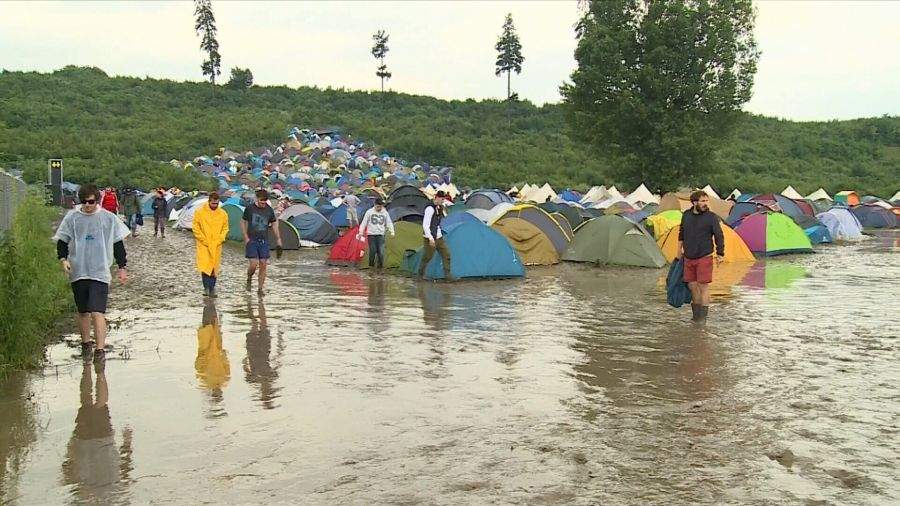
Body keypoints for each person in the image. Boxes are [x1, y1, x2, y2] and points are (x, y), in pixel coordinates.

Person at [54, 184, 130, 361]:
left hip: (100, 271)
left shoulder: (108, 219)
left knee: (97, 312)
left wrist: (122, 267)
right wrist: (63, 259)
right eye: (84, 202)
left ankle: (100, 350)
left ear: (97, 201)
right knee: (83, 311)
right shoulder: (72, 217)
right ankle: (86, 344)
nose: (87, 205)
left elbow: (118, 244)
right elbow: (62, 240)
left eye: (91, 202)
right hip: (78, 270)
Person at [677, 190, 725, 322]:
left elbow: (719, 235)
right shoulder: (686, 215)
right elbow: (681, 233)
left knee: (703, 286)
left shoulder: (711, 217)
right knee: (692, 286)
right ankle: (696, 316)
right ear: (694, 202)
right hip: (688, 257)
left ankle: (703, 319)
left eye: (706, 201)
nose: (705, 204)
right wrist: (678, 253)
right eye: (702, 201)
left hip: (705, 256)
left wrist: (720, 253)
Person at [241, 189, 282, 295]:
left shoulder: (269, 210)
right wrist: (245, 237)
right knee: (253, 265)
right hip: (252, 240)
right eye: (260, 201)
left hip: (264, 240)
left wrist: (278, 239)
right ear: (256, 199)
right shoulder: (250, 209)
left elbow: (274, 223)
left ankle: (260, 289)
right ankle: (249, 277)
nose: (262, 204)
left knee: (263, 264)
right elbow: (243, 222)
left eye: (264, 202)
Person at [192, 192, 229, 297]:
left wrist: (221, 238)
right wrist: (202, 239)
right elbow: (196, 227)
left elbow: (225, 228)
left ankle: (212, 288)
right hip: (204, 244)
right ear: (209, 201)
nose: (215, 206)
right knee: (205, 266)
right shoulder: (200, 212)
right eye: (213, 203)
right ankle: (206, 288)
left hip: (217, 244)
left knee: (214, 267)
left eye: (216, 204)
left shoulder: (223, 214)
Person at [418, 190, 454, 281]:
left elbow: (440, 220)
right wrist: (430, 238)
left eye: (444, 199)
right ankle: (420, 275)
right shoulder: (429, 209)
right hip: (430, 237)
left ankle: (447, 275)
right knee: (427, 257)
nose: (443, 201)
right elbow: (425, 225)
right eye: (442, 199)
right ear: (437, 197)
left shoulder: (439, 207)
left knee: (447, 255)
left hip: (439, 237)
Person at [358, 198, 395, 270]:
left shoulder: (385, 213)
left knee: (381, 252)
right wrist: (360, 232)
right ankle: (371, 266)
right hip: (371, 235)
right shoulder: (369, 212)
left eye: (380, 207)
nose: (379, 208)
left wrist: (392, 231)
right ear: (374, 205)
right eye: (378, 207)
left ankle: (380, 267)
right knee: (373, 251)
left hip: (381, 234)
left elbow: (389, 222)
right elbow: (364, 222)